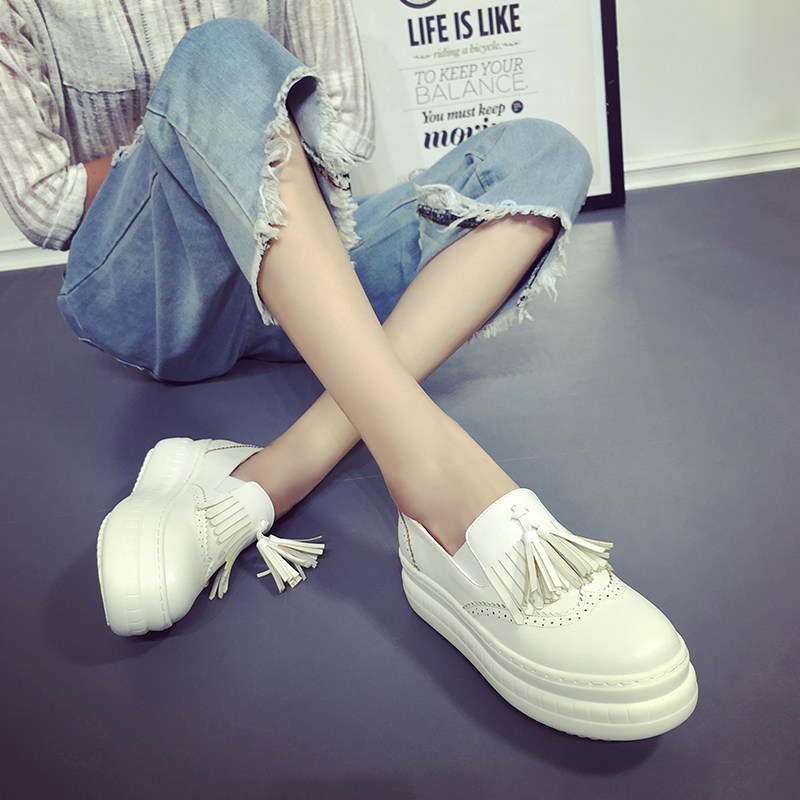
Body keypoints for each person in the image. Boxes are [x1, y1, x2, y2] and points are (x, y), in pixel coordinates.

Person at [0, 0, 697, 740]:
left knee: (545, 153)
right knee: (221, 56)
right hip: (163, 292)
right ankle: (439, 485)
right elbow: (43, 202)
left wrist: (245, 131)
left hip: (298, 261)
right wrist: (200, 135)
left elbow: (350, 122)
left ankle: (279, 471)